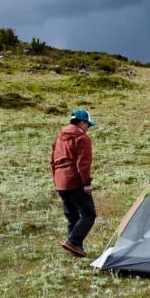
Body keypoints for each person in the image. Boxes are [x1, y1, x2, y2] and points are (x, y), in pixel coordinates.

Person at [52, 109, 97, 257]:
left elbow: (53, 161)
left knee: (72, 216)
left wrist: (56, 181)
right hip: (74, 181)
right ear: (82, 122)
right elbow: (82, 163)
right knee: (89, 214)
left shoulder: (59, 138)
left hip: (60, 182)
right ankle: (73, 242)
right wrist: (86, 183)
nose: (88, 129)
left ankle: (75, 250)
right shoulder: (81, 138)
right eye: (88, 125)